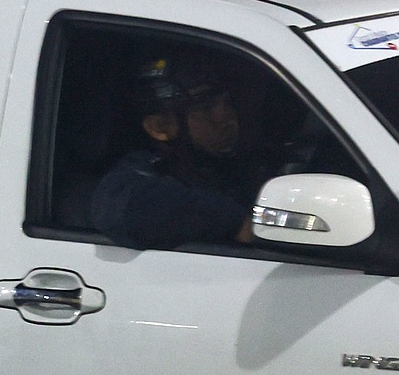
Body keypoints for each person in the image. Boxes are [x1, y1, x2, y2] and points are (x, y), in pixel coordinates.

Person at [91, 54, 281, 250]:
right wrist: (234, 220)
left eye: (226, 102)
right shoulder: (141, 175)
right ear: (160, 127)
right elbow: (119, 209)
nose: (224, 116)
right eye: (205, 107)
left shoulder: (247, 160)